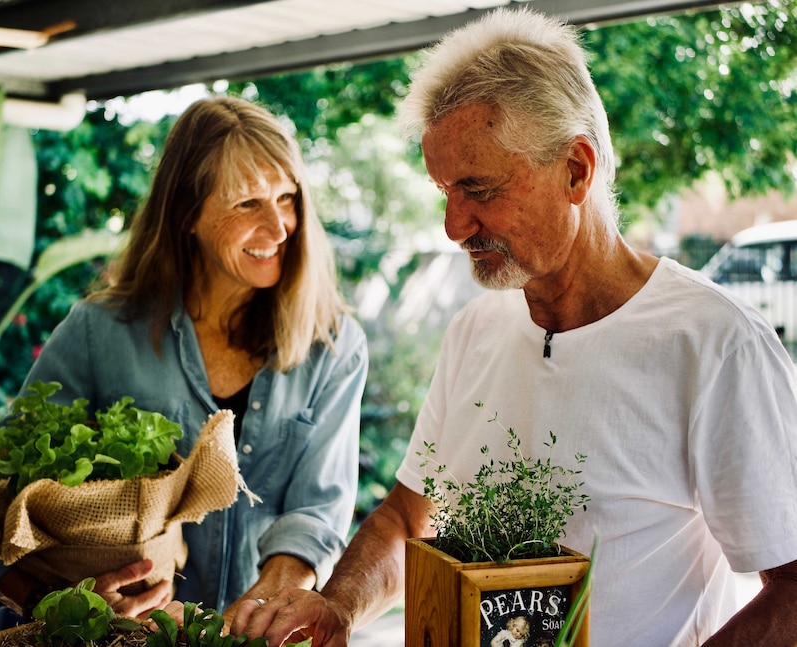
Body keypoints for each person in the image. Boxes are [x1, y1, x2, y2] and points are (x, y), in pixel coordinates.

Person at [230, 7, 797, 647]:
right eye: (445, 190)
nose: (453, 225)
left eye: (478, 188)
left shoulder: (716, 343)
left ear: (576, 170)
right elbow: (408, 519)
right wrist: (338, 608)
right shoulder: (476, 328)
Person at [0, 96, 368, 628]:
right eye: (247, 204)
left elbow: (317, 510)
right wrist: (54, 601)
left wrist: (265, 602)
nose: (280, 227)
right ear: (187, 213)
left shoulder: (332, 345)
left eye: (287, 198)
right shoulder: (99, 332)